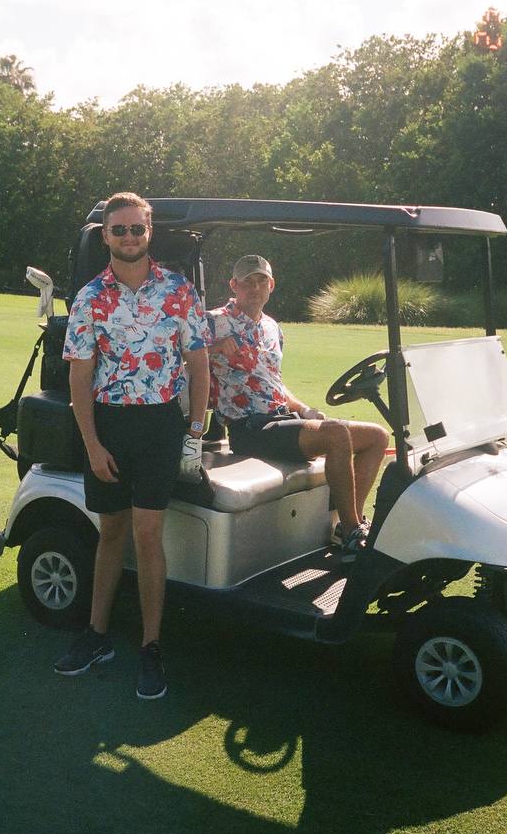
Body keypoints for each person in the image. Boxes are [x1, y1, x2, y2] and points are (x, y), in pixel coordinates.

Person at [55, 192, 211, 699]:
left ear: (150, 232)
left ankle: (150, 647)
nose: (128, 237)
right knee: (110, 532)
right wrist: (93, 445)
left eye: (136, 229)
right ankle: (97, 635)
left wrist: (194, 430)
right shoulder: (89, 297)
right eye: (118, 230)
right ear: (105, 236)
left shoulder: (178, 290)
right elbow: (79, 379)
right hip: (109, 426)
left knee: (147, 533)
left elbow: (199, 365)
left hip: (160, 426)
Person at [208, 255, 389, 563]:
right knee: (335, 435)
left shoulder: (272, 327)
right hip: (250, 429)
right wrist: (212, 348)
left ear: (271, 285)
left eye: (261, 281)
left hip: (282, 420)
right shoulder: (214, 321)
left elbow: (274, 384)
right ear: (234, 286)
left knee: (377, 437)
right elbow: (177, 358)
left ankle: (348, 526)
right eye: (247, 282)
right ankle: (352, 531)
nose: (254, 288)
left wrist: (305, 410)